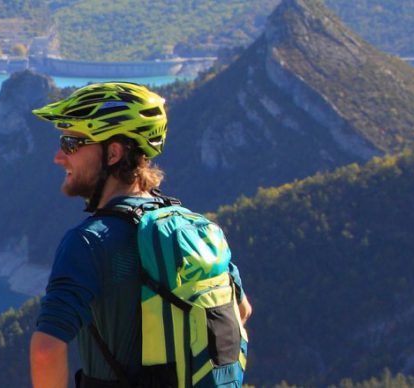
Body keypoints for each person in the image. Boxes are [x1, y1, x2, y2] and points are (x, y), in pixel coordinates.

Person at [26, 82, 253, 388]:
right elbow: (241, 311)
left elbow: (46, 350)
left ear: (113, 153)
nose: (58, 156)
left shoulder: (90, 242)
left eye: (71, 144)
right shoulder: (198, 228)